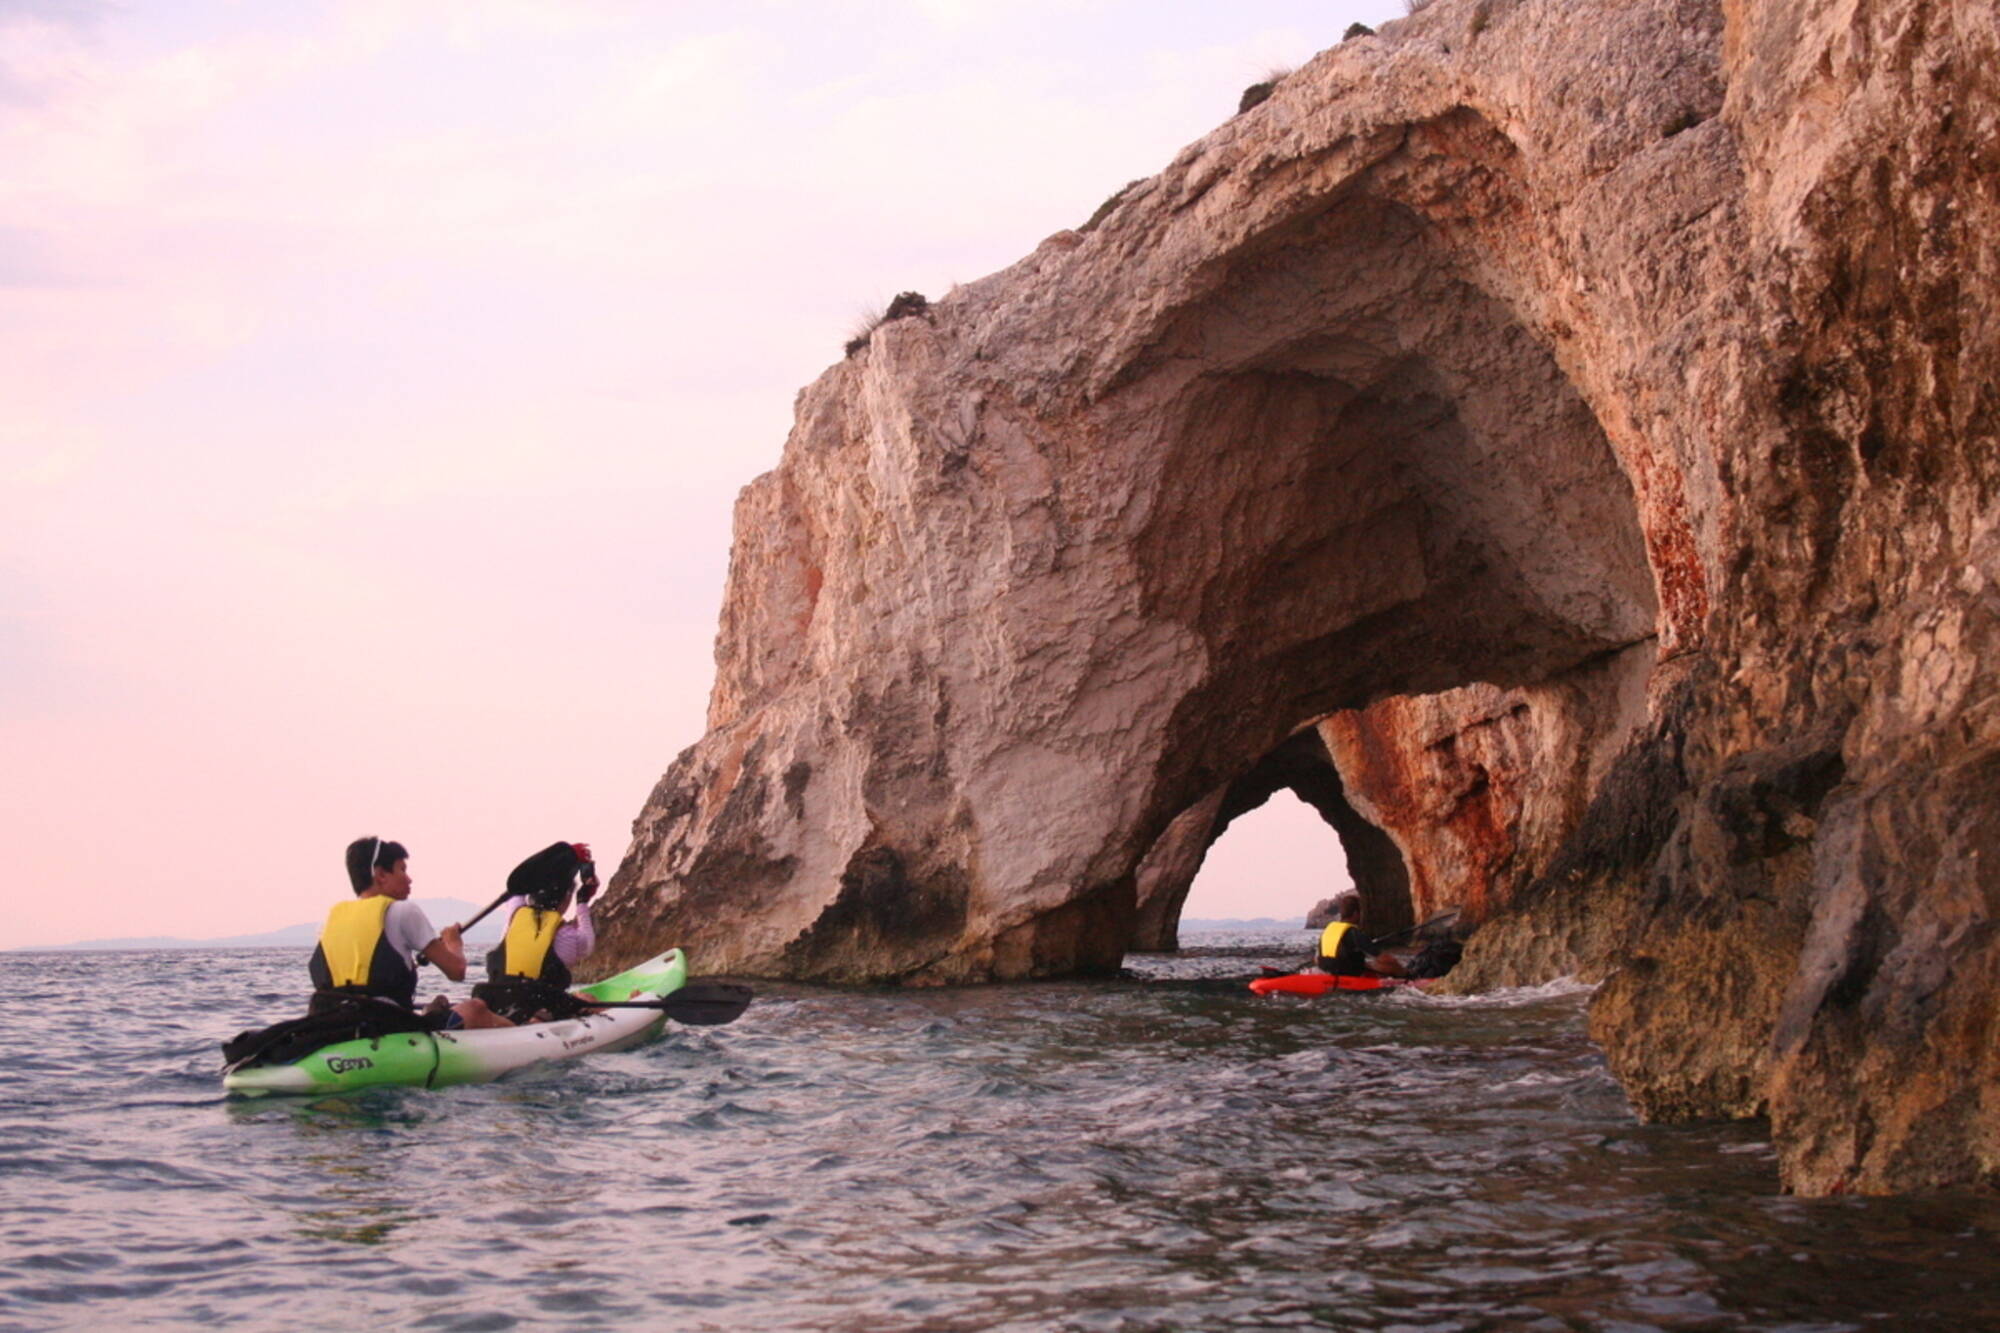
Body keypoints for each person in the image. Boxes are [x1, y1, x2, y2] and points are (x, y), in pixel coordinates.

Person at [308, 836, 509, 1030]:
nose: (409, 879)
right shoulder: (403, 911)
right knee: (477, 1008)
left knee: (436, 1008)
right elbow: (456, 972)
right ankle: (528, 1030)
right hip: (386, 1024)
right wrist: (453, 942)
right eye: (402, 870)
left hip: (334, 1021)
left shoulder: (328, 920)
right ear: (381, 875)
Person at [471, 841, 601, 1024]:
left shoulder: (514, 916)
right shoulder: (566, 936)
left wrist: (565, 856)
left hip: (495, 1001)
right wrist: (583, 901)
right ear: (567, 897)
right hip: (539, 1004)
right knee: (590, 1002)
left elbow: (519, 884)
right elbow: (587, 946)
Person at [1312, 894, 1407, 978]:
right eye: (1360, 913)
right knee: (1390, 965)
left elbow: (1316, 959)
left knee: (1367, 964)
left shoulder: (1329, 930)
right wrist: (1397, 964)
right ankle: (1409, 978)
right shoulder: (1355, 933)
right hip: (1348, 973)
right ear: (1356, 913)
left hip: (1327, 970)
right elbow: (1383, 958)